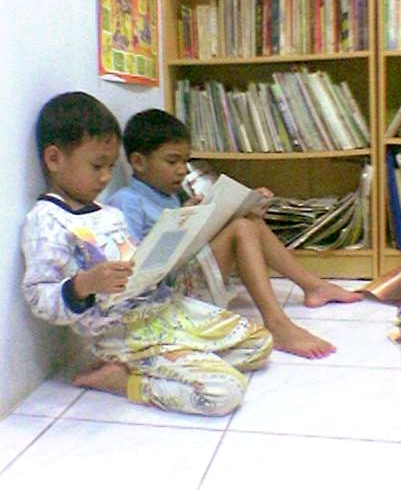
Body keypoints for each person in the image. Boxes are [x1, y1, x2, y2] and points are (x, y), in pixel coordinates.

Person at [22, 92, 273, 417]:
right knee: (224, 392)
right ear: (54, 159)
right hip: (122, 333)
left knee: (260, 343)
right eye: (97, 166)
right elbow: (39, 295)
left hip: (162, 310)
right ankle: (127, 380)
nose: (105, 177)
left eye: (110, 167)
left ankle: (176, 358)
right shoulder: (46, 221)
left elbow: (139, 263)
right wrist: (84, 285)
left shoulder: (108, 213)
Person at [108, 109, 363, 360]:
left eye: (185, 161)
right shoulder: (127, 200)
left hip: (189, 274)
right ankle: (278, 324)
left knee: (250, 220)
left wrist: (241, 205)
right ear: (139, 162)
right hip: (167, 294)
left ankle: (313, 286)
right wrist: (181, 222)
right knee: (242, 228)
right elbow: (134, 262)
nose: (183, 170)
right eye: (172, 161)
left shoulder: (172, 195)